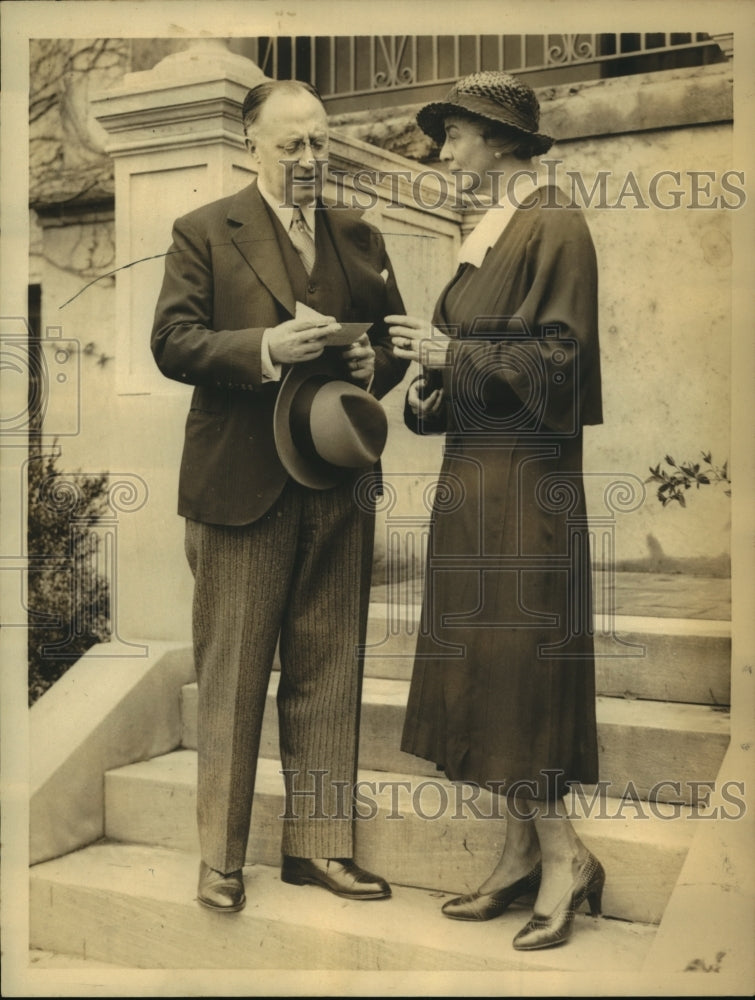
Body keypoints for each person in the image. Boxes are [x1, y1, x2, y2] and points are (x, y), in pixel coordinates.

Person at [151, 79, 408, 912]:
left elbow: (392, 338)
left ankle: (321, 849)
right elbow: (173, 341)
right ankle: (220, 859)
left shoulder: (359, 234)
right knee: (232, 678)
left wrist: (381, 365)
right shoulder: (203, 231)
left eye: (319, 143)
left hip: (336, 480)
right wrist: (262, 344)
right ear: (250, 146)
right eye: (292, 145)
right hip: (241, 490)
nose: (309, 160)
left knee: (330, 669)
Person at [388, 71, 604, 951]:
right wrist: (427, 381)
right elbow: (472, 361)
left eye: (456, 135)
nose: (444, 152)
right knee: (481, 667)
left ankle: (565, 857)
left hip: (527, 485)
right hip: (472, 480)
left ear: (499, 139)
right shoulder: (487, 232)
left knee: (520, 667)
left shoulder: (554, 223)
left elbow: (560, 362)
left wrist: (454, 352)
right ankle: (517, 850)